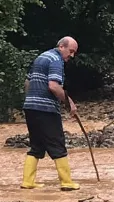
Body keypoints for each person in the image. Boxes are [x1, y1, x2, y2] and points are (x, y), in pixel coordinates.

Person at [21, 37, 81, 191]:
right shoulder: (56, 60)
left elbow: (28, 83)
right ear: (61, 47)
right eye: (71, 51)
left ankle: (28, 181)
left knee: (36, 145)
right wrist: (69, 104)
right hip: (46, 109)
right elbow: (54, 86)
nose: (71, 56)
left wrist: (30, 100)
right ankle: (66, 182)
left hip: (30, 107)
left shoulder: (41, 57)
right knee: (57, 143)